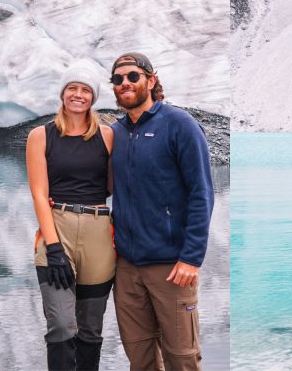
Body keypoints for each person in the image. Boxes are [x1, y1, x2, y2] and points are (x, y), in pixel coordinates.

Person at [108, 52, 214, 371]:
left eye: (132, 76)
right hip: (127, 267)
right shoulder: (117, 132)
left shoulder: (179, 124)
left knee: (181, 358)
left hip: (171, 265)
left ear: (151, 81)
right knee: (139, 358)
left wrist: (192, 256)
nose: (125, 83)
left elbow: (202, 193)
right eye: (117, 79)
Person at [26, 61, 115, 371]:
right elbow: (39, 193)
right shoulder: (40, 136)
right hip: (58, 229)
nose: (78, 95)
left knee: (90, 329)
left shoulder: (107, 136)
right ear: (63, 93)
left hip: (99, 234)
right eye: (72, 88)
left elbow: (121, 184)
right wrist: (53, 248)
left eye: (86, 90)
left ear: (94, 97)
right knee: (62, 326)